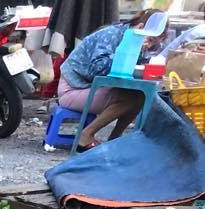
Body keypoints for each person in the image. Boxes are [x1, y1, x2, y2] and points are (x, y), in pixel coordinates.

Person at [59, 9, 168, 151]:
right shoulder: (111, 35)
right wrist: (131, 49)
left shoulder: (136, 38)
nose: (151, 43)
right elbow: (97, 69)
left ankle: (115, 140)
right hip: (74, 88)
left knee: (141, 94)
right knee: (134, 97)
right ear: (141, 27)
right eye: (151, 38)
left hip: (93, 87)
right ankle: (85, 135)